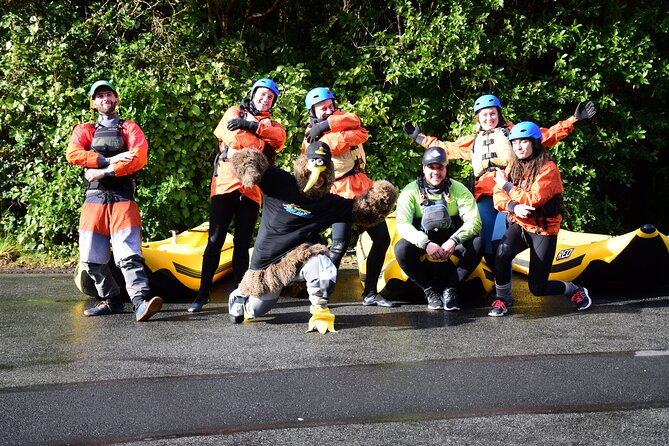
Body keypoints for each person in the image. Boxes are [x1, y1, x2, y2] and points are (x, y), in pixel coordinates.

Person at [404, 95, 596, 266]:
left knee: (500, 244)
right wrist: (419, 138)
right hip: (484, 198)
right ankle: (496, 283)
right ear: (478, 117)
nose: (489, 118)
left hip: (509, 194)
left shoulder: (513, 134)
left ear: (499, 114)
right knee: (484, 243)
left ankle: (505, 289)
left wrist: (573, 119)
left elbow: (546, 136)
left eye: (492, 114)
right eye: (484, 115)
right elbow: (445, 148)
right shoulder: (473, 141)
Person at [226, 141, 398, 332]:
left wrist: (381, 198)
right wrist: (249, 166)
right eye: (314, 165)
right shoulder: (281, 182)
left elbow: (362, 211)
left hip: (300, 257)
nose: (319, 177)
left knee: (321, 263)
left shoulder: (329, 203)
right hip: (268, 265)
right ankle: (241, 294)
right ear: (303, 167)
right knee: (257, 309)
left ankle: (319, 311)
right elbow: (251, 160)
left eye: (324, 171)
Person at [66, 80, 162, 321]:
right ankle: (111, 300)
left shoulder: (129, 128)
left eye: (109, 94)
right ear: (93, 102)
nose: (105, 99)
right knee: (90, 258)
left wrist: (104, 170)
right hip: (94, 199)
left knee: (128, 255)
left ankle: (140, 302)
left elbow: (139, 158)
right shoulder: (83, 129)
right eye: (99, 96)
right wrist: (113, 158)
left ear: (116, 99)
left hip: (122, 198)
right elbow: (73, 154)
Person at [188, 78, 286, 313]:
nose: (265, 99)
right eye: (262, 94)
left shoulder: (273, 123)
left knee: (242, 246)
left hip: (251, 191)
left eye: (270, 97)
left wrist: (252, 126)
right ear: (253, 95)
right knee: (215, 240)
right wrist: (262, 142)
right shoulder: (234, 111)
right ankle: (203, 294)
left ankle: (239, 295)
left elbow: (279, 140)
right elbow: (233, 138)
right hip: (225, 184)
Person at [301, 87, 396, 307]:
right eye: (322, 108)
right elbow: (328, 145)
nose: (327, 110)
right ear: (312, 111)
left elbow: (359, 128)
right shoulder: (310, 137)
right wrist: (344, 133)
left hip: (364, 190)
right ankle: (322, 295)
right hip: (340, 192)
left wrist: (328, 126)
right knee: (339, 244)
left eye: (330, 106)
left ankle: (370, 293)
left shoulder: (339, 120)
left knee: (381, 239)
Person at [489, 121, 591, 317]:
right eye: (515, 142)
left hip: (543, 230)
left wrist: (507, 186)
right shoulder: (512, 166)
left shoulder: (548, 169)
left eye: (523, 142)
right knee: (501, 252)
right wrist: (513, 206)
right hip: (520, 225)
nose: (518, 146)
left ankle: (575, 290)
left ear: (534, 143)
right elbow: (497, 194)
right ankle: (502, 299)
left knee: (538, 288)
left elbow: (533, 199)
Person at [394, 146, 483, 311]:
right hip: (424, 242)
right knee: (401, 249)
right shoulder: (410, 191)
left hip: (450, 240)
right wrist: (425, 243)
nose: (436, 172)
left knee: (478, 243)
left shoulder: (458, 189)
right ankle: (430, 292)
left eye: (440, 167)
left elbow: (474, 221)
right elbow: (403, 224)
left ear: (446, 168)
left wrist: (454, 240)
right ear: (423, 168)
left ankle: (451, 289)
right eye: (431, 167)